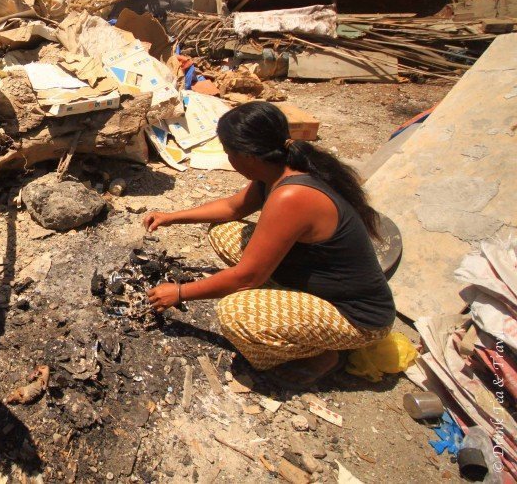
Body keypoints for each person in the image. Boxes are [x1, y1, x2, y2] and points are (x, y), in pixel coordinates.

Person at [143, 101, 395, 386]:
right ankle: (289, 307)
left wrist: (179, 292)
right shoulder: (274, 170)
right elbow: (231, 209)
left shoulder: (292, 195)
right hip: (317, 281)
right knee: (224, 231)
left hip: (356, 316)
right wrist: (171, 217)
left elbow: (246, 277)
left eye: (229, 153)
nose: (229, 160)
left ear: (248, 155)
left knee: (235, 313)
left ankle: (317, 355)